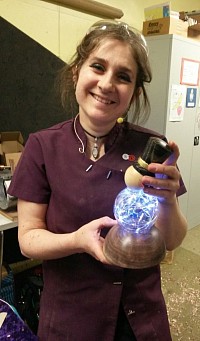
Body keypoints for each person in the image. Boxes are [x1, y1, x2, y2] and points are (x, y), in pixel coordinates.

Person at [8, 20, 187, 341]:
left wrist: (168, 199)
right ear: (77, 71)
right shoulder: (42, 146)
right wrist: (78, 239)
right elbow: (28, 238)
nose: (107, 84)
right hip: (70, 318)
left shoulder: (152, 149)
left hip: (140, 320)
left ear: (134, 92)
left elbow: (171, 241)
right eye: (98, 67)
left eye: (123, 76)